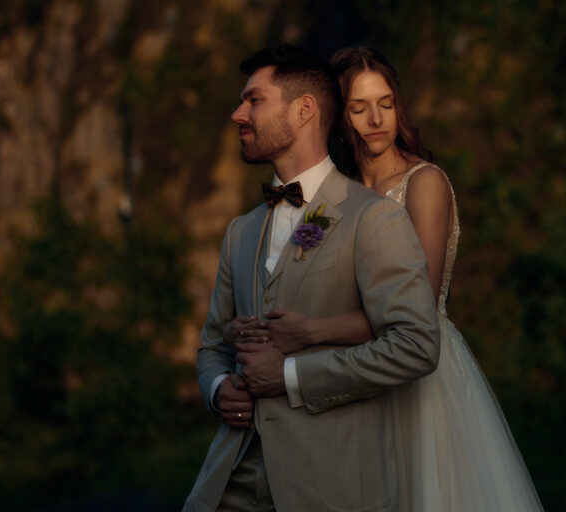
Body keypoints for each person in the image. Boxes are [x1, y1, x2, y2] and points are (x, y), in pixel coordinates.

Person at [229, 47, 544, 511]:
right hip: (351, 372)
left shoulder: (424, 183)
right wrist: (259, 326)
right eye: (359, 108)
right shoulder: (331, 201)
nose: (376, 119)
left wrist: (309, 331)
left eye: (386, 103)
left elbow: (420, 306)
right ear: (339, 117)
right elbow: (304, 280)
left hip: (419, 378)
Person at [182, 45, 440, 512]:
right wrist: (220, 389)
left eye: (254, 100)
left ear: (304, 110)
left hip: (331, 483)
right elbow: (211, 347)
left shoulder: (373, 219)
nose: (239, 113)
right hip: (228, 483)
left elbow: (416, 345)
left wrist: (288, 376)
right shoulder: (240, 232)